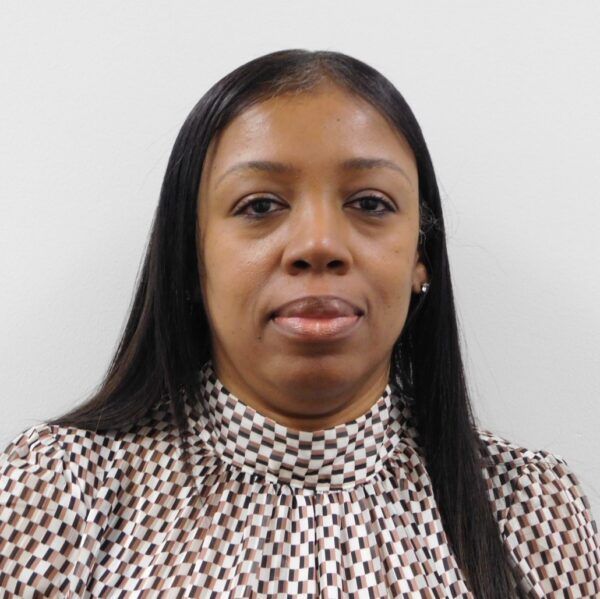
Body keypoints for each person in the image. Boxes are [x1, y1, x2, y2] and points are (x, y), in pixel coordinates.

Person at [1, 49, 598, 598]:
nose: (318, 244)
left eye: (369, 203)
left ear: (421, 256)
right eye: (260, 205)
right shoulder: (61, 491)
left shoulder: (528, 508)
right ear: (190, 254)